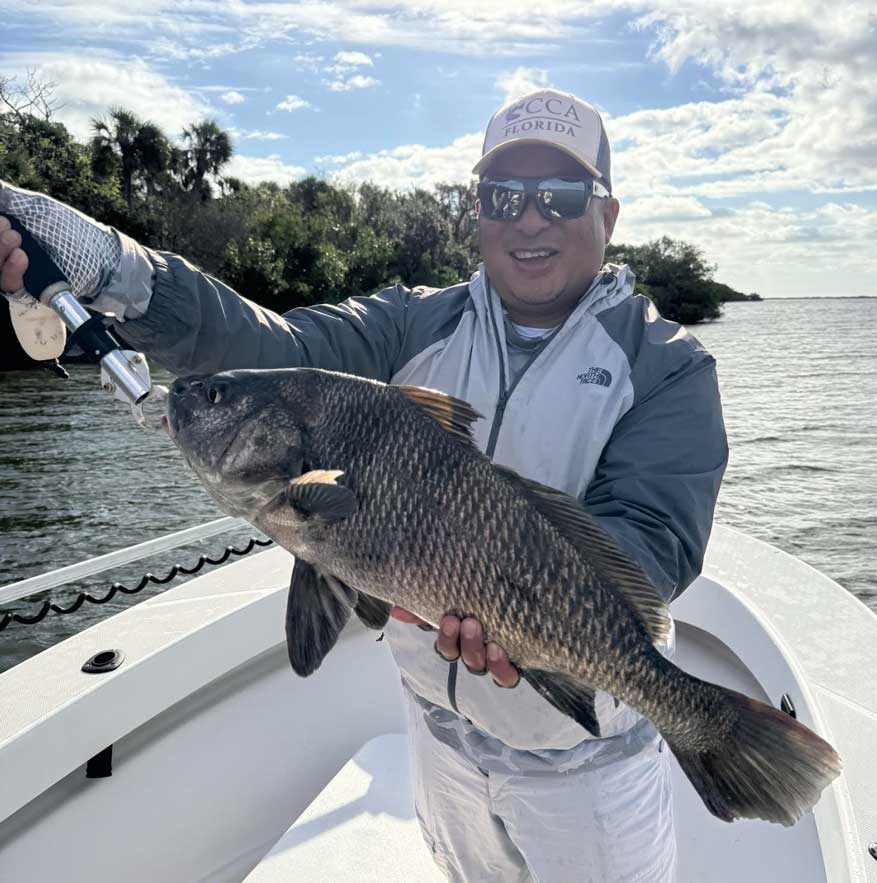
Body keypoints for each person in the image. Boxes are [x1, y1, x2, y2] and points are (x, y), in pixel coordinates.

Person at [0, 88, 728, 882]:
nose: (530, 219)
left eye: (560, 196)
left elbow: (650, 542)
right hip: (437, 732)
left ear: (608, 215)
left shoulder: (670, 366)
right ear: (477, 209)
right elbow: (266, 341)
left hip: (586, 764)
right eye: (504, 195)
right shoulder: (407, 324)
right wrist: (110, 265)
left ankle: (711, 729)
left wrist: (526, 610)